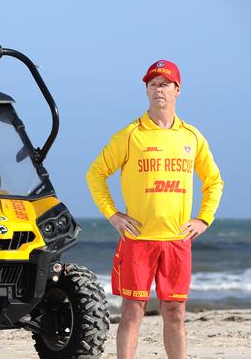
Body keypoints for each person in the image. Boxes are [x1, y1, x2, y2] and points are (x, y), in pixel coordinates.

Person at [85, 59, 224, 359]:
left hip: (176, 240)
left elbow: (214, 181)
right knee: (133, 311)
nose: (158, 89)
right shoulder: (131, 134)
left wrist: (203, 219)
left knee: (175, 311)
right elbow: (95, 173)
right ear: (146, 91)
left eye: (164, 83)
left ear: (177, 89)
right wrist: (112, 214)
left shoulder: (191, 137)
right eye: (153, 83)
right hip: (138, 240)